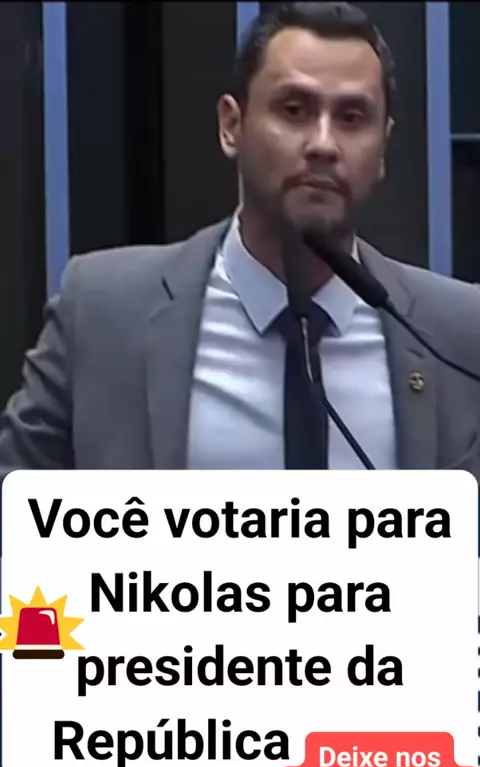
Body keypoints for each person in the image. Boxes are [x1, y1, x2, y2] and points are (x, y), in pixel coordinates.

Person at [1, 0, 480, 480]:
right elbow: (14, 501)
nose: (323, 144)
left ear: (383, 147)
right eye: (294, 110)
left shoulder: (456, 334)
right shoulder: (102, 311)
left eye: (352, 118)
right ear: (232, 126)